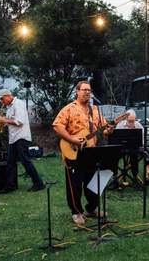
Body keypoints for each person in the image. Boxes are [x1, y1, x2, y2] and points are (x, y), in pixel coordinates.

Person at [52, 81, 113, 225]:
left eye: (89, 90)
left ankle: (92, 208)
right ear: (77, 92)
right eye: (84, 90)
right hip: (73, 151)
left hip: (91, 152)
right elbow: (57, 126)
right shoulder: (69, 109)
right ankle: (76, 212)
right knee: (75, 183)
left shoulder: (95, 110)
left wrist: (109, 130)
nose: (87, 92)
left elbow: (103, 129)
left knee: (93, 182)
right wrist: (71, 138)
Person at [0, 89, 45, 193]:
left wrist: (4, 120)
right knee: (10, 162)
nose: (1, 102)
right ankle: (11, 186)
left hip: (21, 137)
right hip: (14, 138)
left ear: (7, 96)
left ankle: (39, 183)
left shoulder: (18, 104)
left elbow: (19, 122)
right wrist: (2, 122)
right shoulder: (9, 107)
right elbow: (11, 121)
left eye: (2, 99)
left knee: (25, 161)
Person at [112, 109, 143, 187]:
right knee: (113, 157)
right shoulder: (120, 125)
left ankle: (135, 178)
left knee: (134, 156)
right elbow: (115, 139)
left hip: (134, 149)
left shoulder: (139, 126)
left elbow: (142, 141)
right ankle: (115, 179)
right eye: (129, 121)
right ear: (126, 119)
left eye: (132, 121)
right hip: (121, 148)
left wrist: (141, 146)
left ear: (135, 119)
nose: (131, 123)